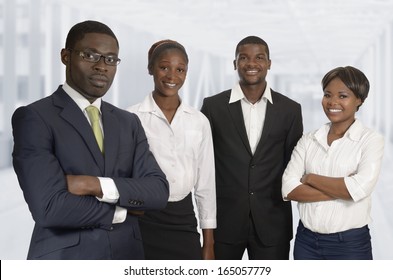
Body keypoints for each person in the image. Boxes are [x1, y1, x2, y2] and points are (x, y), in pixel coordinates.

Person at [11, 20, 169, 260]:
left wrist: (92, 184)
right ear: (66, 56)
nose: (102, 66)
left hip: (127, 256)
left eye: (111, 59)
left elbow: (158, 191)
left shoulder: (128, 122)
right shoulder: (35, 118)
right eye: (90, 55)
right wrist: (123, 209)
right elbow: (50, 207)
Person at [201, 35, 303, 260]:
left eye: (259, 57)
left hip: (272, 222)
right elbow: (204, 163)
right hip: (225, 222)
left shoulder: (290, 110)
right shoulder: (213, 106)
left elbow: (293, 165)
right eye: (244, 57)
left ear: (269, 63)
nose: (252, 63)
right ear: (235, 63)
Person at [282, 66, 385, 260]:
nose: (333, 102)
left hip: (349, 245)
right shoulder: (308, 140)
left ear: (359, 100)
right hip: (306, 242)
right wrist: (344, 190)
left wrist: (310, 178)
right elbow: (289, 189)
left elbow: (358, 188)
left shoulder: (370, 141)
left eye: (343, 96)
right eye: (327, 95)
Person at [127, 40, 216, 260]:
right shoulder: (131, 118)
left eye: (180, 69)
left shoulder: (199, 121)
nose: (171, 76)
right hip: (142, 219)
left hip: (183, 219)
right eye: (164, 67)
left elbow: (205, 185)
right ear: (150, 68)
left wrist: (209, 243)